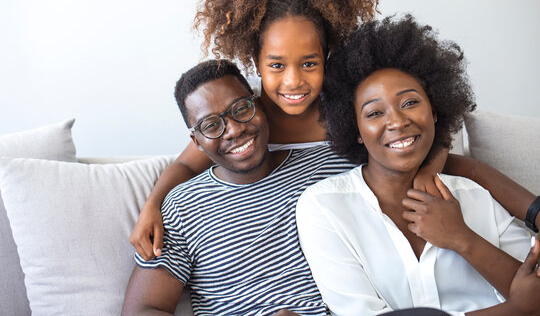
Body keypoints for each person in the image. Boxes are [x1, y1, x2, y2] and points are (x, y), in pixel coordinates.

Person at [130, 0, 539, 261]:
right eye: (276, 66)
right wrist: (153, 205)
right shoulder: (246, 116)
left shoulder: (346, 100)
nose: (293, 82)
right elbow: (186, 165)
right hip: (338, 239)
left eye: (309, 63)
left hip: (393, 204)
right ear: (255, 63)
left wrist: (427, 172)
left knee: (457, 167)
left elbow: (433, 128)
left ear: (328, 57)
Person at [122, 59, 452, 316]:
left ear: (260, 105)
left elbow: (415, 141)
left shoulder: (333, 163)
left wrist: (433, 167)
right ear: (196, 140)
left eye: (241, 109)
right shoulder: (182, 206)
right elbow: (142, 309)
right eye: (212, 125)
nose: (234, 129)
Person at [296, 15, 540, 316]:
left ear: (434, 111)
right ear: (355, 130)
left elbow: (533, 292)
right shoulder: (325, 207)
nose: (397, 122)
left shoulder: (473, 194)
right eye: (374, 113)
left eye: (410, 103)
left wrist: (462, 238)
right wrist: (514, 311)